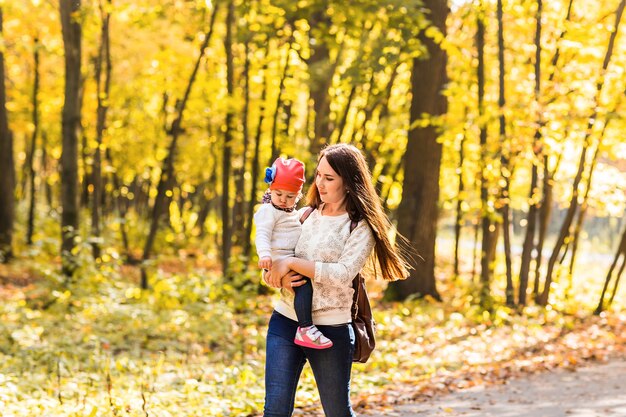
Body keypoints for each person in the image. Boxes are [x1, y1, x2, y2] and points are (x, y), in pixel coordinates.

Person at [262, 144, 411, 417]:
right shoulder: (304, 215)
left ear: (349, 182)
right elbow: (274, 261)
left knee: (337, 412)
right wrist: (278, 279)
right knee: (275, 410)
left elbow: (343, 273)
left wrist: (293, 264)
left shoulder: (359, 226)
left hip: (331, 330)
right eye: (318, 175)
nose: (320, 183)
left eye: (329, 178)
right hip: (285, 322)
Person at [254, 157, 333, 349]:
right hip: (277, 258)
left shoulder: (292, 213)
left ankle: (306, 326)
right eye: (278, 193)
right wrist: (264, 255)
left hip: (288, 260)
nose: (283, 199)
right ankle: (306, 327)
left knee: (301, 286)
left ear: (297, 196)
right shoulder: (268, 211)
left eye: (290, 196)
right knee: (304, 287)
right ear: (270, 190)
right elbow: (262, 234)